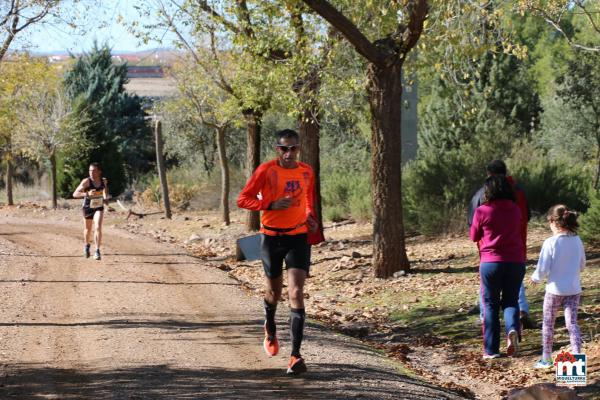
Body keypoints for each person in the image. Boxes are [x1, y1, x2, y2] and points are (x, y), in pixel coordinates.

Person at [237, 129, 318, 375]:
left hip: (298, 236)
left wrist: (310, 217)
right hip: (271, 238)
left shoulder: (306, 171)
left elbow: (308, 199)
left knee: (296, 292)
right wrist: (269, 204)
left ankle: (295, 356)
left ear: (298, 149)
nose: (289, 153)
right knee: (273, 292)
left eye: (293, 148)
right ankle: (269, 326)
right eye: (284, 148)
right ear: (277, 149)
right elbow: (243, 199)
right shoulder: (267, 170)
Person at [468, 160, 535, 329]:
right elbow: (526, 216)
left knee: (489, 293)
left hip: (489, 252)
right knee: (512, 290)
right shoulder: (518, 194)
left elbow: (473, 230)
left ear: (489, 174)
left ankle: (486, 318)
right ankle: (519, 315)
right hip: (516, 247)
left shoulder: (482, 196)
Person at [470, 175, 526, 359]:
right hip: (515, 261)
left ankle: (491, 350)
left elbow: (474, 236)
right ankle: (512, 330)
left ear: (489, 191)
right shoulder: (516, 210)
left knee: (490, 304)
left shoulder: (482, 211)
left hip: (491, 262)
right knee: (511, 300)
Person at [531, 205, 585, 369]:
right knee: (572, 324)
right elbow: (582, 265)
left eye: (549, 222)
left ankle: (546, 358)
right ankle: (576, 359)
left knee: (548, 324)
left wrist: (535, 278)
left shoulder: (550, 242)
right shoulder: (577, 240)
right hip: (574, 289)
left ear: (554, 222)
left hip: (554, 291)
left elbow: (543, 268)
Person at [73, 162, 110, 260]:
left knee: (98, 227)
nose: (91, 173)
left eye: (93, 171)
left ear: (99, 172)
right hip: (87, 207)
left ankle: (97, 251)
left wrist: (106, 200)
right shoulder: (86, 182)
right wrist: (87, 194)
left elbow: (105, 192)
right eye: (90, 170)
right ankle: (86, 246)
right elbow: (75, 194)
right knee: (87, 230)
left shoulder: (103, 181)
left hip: (98, 207)